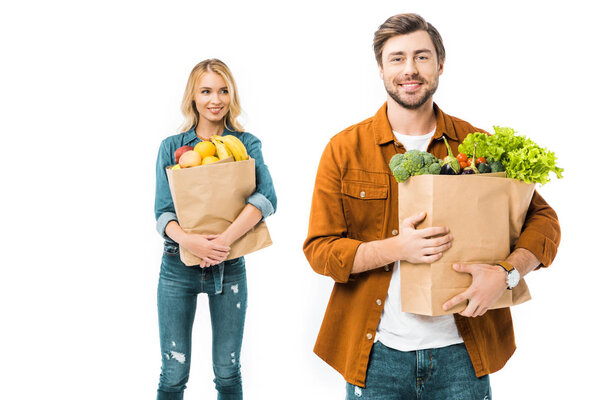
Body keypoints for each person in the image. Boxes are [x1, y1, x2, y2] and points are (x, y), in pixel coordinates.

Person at [303, 13, 560, 399]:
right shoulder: (343, 149)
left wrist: (506, 274)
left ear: (440, 64)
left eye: (422, 57)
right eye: (397, 58)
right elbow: (320, 250)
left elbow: (544, 220)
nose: (410, 69)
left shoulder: (474, 144)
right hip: (376, 355)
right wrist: (396, 249)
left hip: (462, 353)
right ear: (380, 68)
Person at [154, 58, 276, 400]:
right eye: (206, 91)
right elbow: (163, 213)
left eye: (223, 91)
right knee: (174, 372)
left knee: (227, 371)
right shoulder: (171, 147)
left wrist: (221, 242)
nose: (215, 99)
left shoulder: (246, 144)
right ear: (193, 96)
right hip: (177, 268)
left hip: (230, 265)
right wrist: (191, 242)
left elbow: (267, 198)